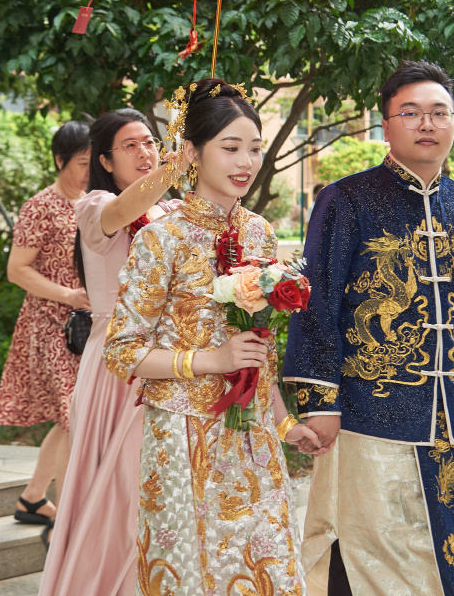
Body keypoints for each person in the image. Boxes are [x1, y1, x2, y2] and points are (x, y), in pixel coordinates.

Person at [285, 60, 454, 596]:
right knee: (370, 553)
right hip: (370, 416)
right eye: (411, 113)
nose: (427, 124)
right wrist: (319, 400)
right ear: (387, 124)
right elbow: (317, 300)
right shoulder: (346, 200)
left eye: (439, 113)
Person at [104, 79, 320, 596]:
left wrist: (284, 422)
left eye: (254, 148)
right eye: (230, 147)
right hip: (183, 436)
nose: (245, 162)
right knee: (195, 574)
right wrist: (209, 360)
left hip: (253, 438)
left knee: (270, 569)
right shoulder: (161, 237)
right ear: (192, 153)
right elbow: (121, 351)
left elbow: (260, 347)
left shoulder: (259, 232)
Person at [38, 109, 186, 596]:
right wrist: (176, 167)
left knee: (162, 482)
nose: (145, 152)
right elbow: (125, 210)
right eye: (131, 145)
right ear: (104, 160)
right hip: (119, 361)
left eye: (150, 142)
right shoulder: (95, 205)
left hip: (172, 357)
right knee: (122, 480)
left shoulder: (170, 208)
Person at [0, 120, 92, 528]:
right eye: (82, 163)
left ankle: (33, 499)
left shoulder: (92, 202)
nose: (89, 171)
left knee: (71, 416)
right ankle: (68, 521)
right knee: (74, 415)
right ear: (59, 160)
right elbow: (17, 270)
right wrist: (68, 295)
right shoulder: (40, 206)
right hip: (51, 325)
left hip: (84, 329)